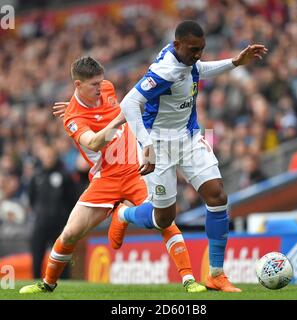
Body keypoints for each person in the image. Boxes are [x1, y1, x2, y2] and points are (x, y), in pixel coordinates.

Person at [19, 56, 205, 294]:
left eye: (101, 82)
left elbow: (110, 107)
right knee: (70, 234)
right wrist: (119, 119)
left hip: (134, 169)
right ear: (78, 85)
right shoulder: (73, 119)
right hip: (105, 177)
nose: (101, 87)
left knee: (165, 220)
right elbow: (94, 143)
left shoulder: (106, 88)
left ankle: (188, 279)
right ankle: (47, 284)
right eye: (94, 84)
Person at [110, 20, 268, 292]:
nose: (198, 54)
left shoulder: (185, 59)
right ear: (177, 45)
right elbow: (129, 103)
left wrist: (235, 62)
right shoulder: (164, 71)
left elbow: (198, 69)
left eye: (202, 49)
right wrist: (146, 144)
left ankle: (216, 274)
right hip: (158, 144)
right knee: (163, 219)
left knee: (217, 195)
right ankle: (124, 214)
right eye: (194, 49)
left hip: (190, 136)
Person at [28, 145, 76, 280]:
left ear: (55, 157)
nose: (48, 159)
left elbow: (71, 199)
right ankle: (35, 281)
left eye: (51, 156)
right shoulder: (36, 176)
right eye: (46, 156)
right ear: (42, 157)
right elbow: (32, 199)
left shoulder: (64, 175)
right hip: (40, 224)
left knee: (61, 256)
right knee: (37, 256)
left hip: (59, 224)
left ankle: (64, 282)